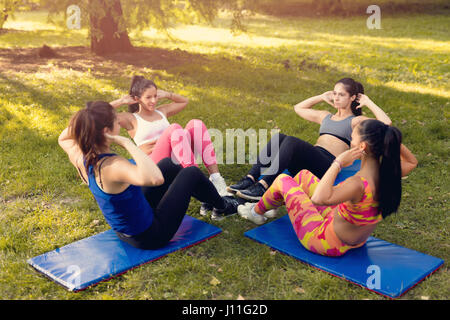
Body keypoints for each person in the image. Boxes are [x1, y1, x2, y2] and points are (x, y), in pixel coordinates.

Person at [58, 101, 244, 250]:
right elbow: (156, 178)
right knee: (191, 172)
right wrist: (128, 144)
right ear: (107, 132)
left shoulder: (80, 156)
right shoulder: (114, 166)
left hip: (127, 228)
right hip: (151, 235)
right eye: (116, 121)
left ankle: (209, 198)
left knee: (170, 163)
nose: (119, 123)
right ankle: (223, 206)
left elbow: (63, 137)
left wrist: (91, 114)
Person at [238, 119, 417, 257]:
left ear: (361, 146)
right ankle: (271, 207)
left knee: (284, 179)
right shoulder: (388, 172)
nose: (350, 140)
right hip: (351, 236)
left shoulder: (357, 183)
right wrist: (387, 135)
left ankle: (255, 213)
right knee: (303, 176)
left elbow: (318, 198)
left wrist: (338, 163)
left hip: (326, 241)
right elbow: (412, 161)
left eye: (352, 137)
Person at [228, 78, 393, 202]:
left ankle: (263, 185)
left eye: (341, 95)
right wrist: (322, 97)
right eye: (334, 93)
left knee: (292, 142)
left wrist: (368, 101)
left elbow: (387, 124)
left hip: (326, 165)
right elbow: (298, 108)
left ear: (352, 98)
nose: (336, 98)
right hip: (309, 160)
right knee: (280, 137)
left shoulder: (355, 121)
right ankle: (250, 178)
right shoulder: (325, 116)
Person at [109, 76, 231, 216]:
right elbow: (96, 114)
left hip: (177, 155)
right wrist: (121, 101)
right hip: (156, 165)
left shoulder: (162, 111)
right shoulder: (131, 118)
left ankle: (216, 179)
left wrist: (168, 94)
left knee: (195, 124)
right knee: (174, 129)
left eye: (155, 96)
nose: (154, 101)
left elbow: (185, 101)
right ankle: (198, 182)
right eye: (148, 97)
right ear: (137, 99)